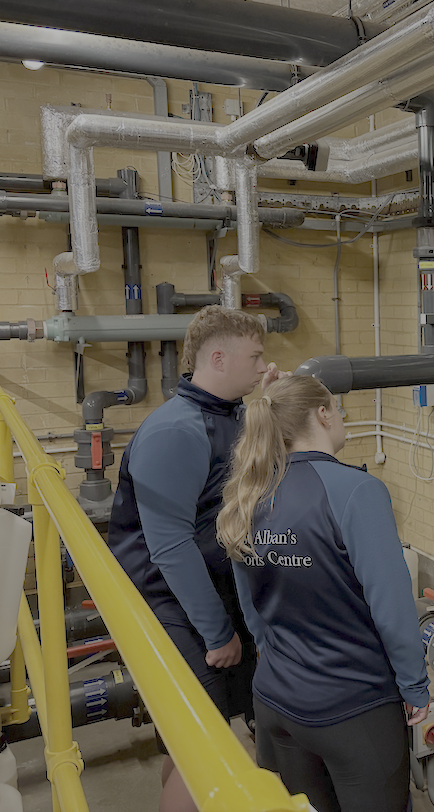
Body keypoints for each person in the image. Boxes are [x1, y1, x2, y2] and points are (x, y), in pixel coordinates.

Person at [218, 375, 430, 812]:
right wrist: (414, 685)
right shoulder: (357, 491)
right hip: (354, 708)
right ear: (322, 413)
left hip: (277, 703)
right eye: (338, 407)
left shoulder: (248, 495)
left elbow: (252, 611)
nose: (343, 415)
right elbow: (392, 609)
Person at [107, 305, 286, 812]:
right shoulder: (176, 430)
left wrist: (273, 403)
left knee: (192, 742)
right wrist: (217, 632)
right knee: (205, 746)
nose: (261, 365)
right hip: (171, 605)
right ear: (219, 357)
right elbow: (170, 547)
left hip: (212, 591)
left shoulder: (225, 416)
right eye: (255, 356)